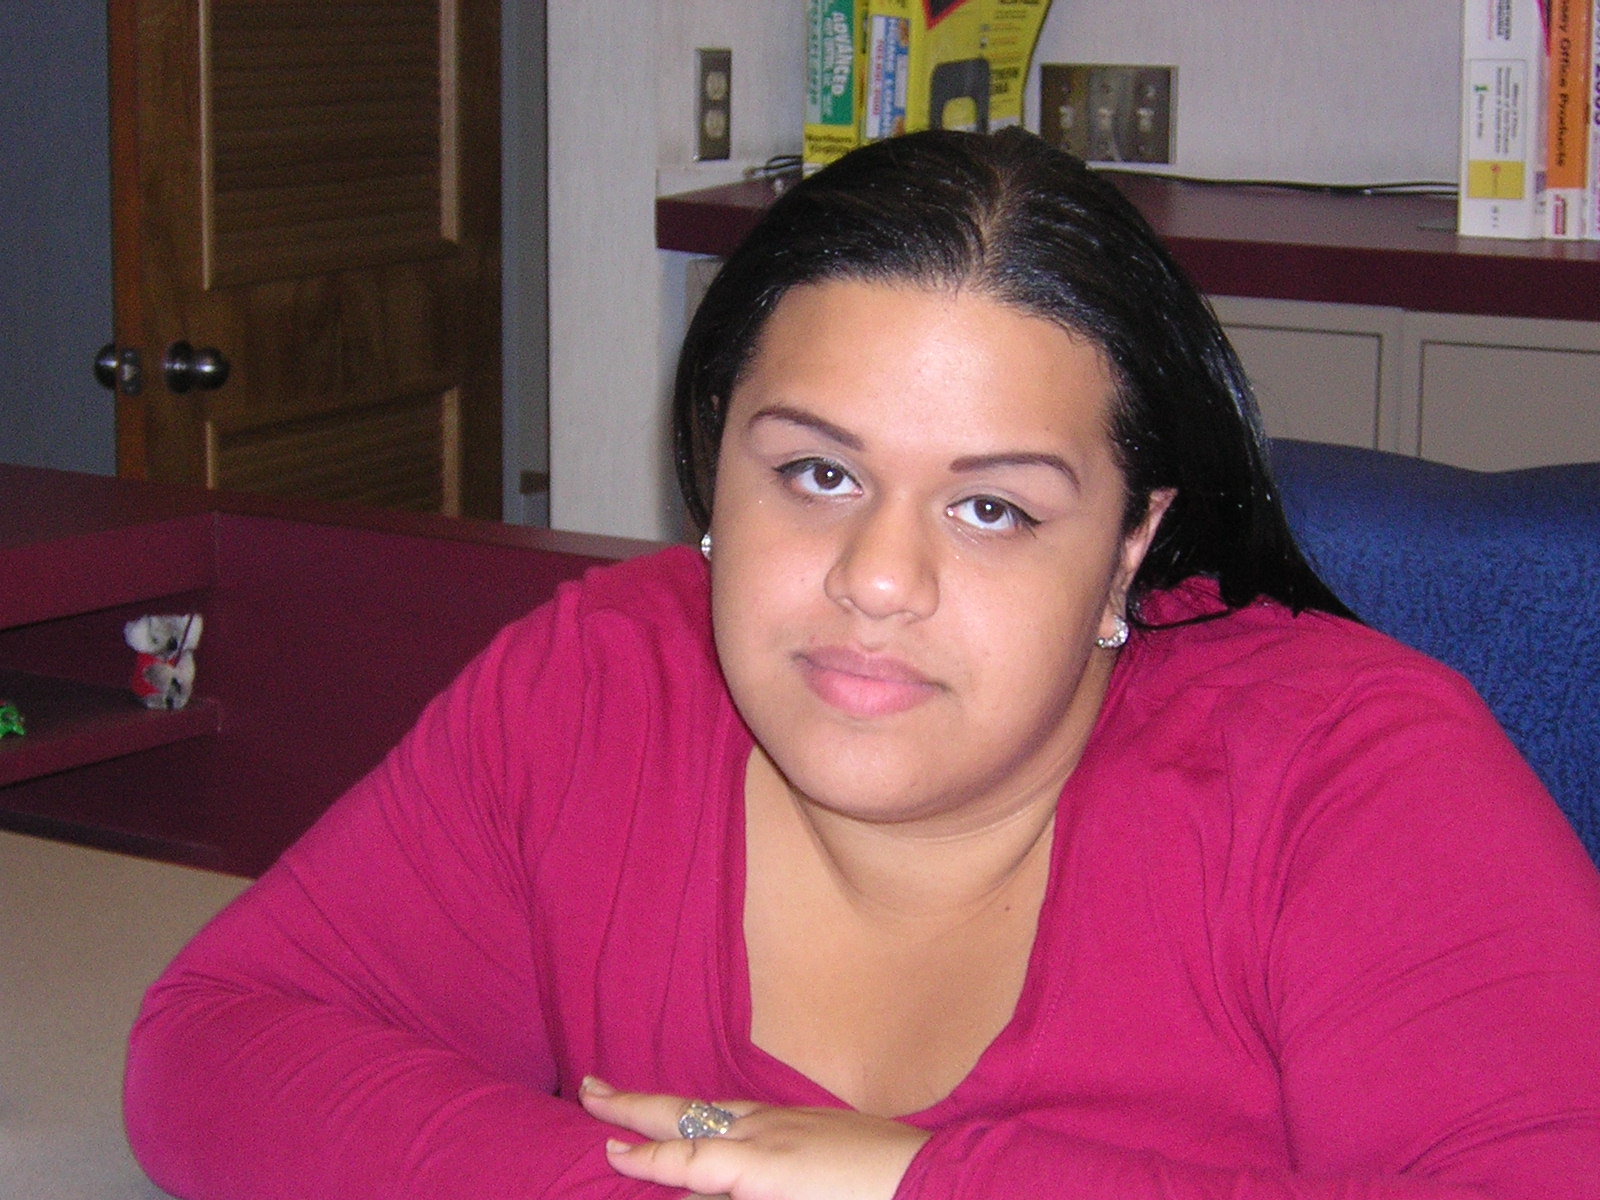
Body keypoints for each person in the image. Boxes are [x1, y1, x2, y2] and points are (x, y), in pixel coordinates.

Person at [124, 128, 1600, 1199]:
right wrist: (685, 1182)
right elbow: (213, 1056)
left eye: (992, 508)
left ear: (1132, 547)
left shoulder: (1345, 768)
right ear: (715, 474)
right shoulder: (604, 686)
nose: (877, 579)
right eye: (817, 477)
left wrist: (911, 1185)